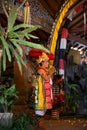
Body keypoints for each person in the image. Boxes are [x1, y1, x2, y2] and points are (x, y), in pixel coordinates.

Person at [33, 52, 55, 129]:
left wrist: (50, 72)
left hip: (45, 92)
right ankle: (39, 126)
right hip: (41, 93)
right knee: (40, 110)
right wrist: (51, 72)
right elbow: (46, 78)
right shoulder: (40, 70)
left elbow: (49, 77)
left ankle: (40, 126)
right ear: (42, 62)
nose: (48, 63)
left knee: (43, 110)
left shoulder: (44, 70)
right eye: (46, 61)